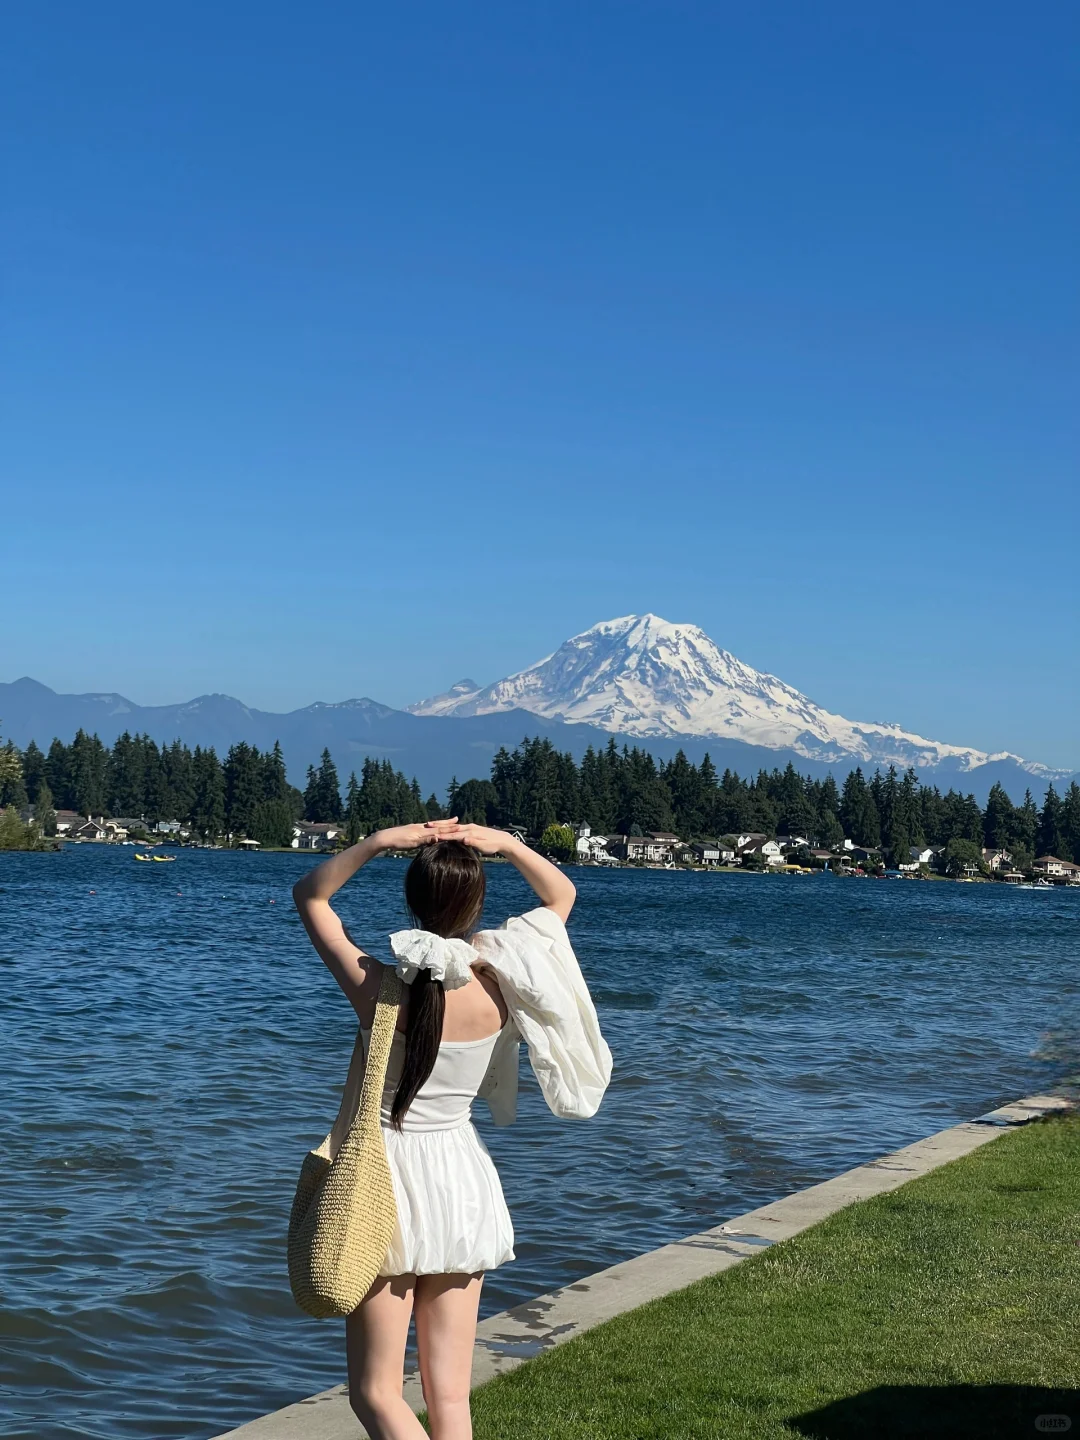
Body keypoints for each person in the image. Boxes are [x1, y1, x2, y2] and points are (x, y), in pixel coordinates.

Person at [292, 818, 612, 1440]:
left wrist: (381, 841)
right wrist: (510, 846)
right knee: (451, 1398)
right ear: (476, 906)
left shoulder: (377, 988)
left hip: (383, 1182)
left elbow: (311, 895)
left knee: (376, 1393)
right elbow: (560, 897)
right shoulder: (503, 984)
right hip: (462, 1179)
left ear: (411, 902)